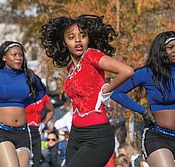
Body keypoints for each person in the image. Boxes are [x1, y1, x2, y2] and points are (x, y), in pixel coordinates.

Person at [40, 14, 134, 167]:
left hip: (97, 136)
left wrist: (105, 91)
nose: (78, 40)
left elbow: (127, 71)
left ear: (88, 38)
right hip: (76, 135)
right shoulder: (71, 67)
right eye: (71, 37)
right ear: (64, 42)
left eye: (82, 36)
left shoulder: (92, 55)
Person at [111, 31, 175, 167]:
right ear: (161, 51)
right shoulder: (147, 73)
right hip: (159, 137)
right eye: (170, 47)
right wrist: (142, 111)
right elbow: (116, 92)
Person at [0, 41, 47, 167]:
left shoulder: (27, 76)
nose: (18, 58)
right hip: (1, 132)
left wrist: (26, 102)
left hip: (22, 133)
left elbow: (42, 90)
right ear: (4, 57)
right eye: (14, 55)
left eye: (20, 55)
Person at [25, 94, 55, 166]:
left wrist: (43, 124)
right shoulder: (23, 93)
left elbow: (51, 111)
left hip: (36, 131)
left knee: (36, 163)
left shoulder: (42, 95)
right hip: (24, 132)